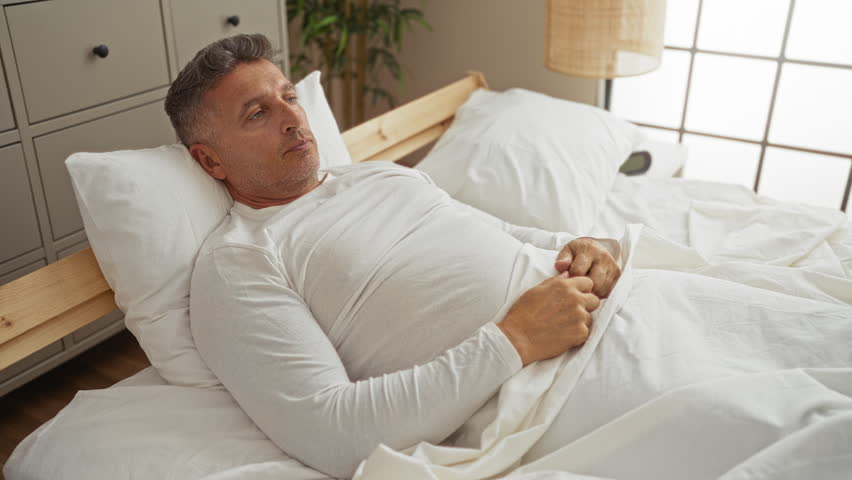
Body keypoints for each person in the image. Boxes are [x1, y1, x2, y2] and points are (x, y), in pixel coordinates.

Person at [166, 34, 618, 477]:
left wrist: (588, 247)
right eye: (258, 113)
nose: (292, 118)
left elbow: (502, 234)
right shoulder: (239, 262)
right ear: (211, 162)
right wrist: (515, 340)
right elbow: (332, 433)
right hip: (548, 387)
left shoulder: (377, 176)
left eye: (289, 96)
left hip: (608, 305)